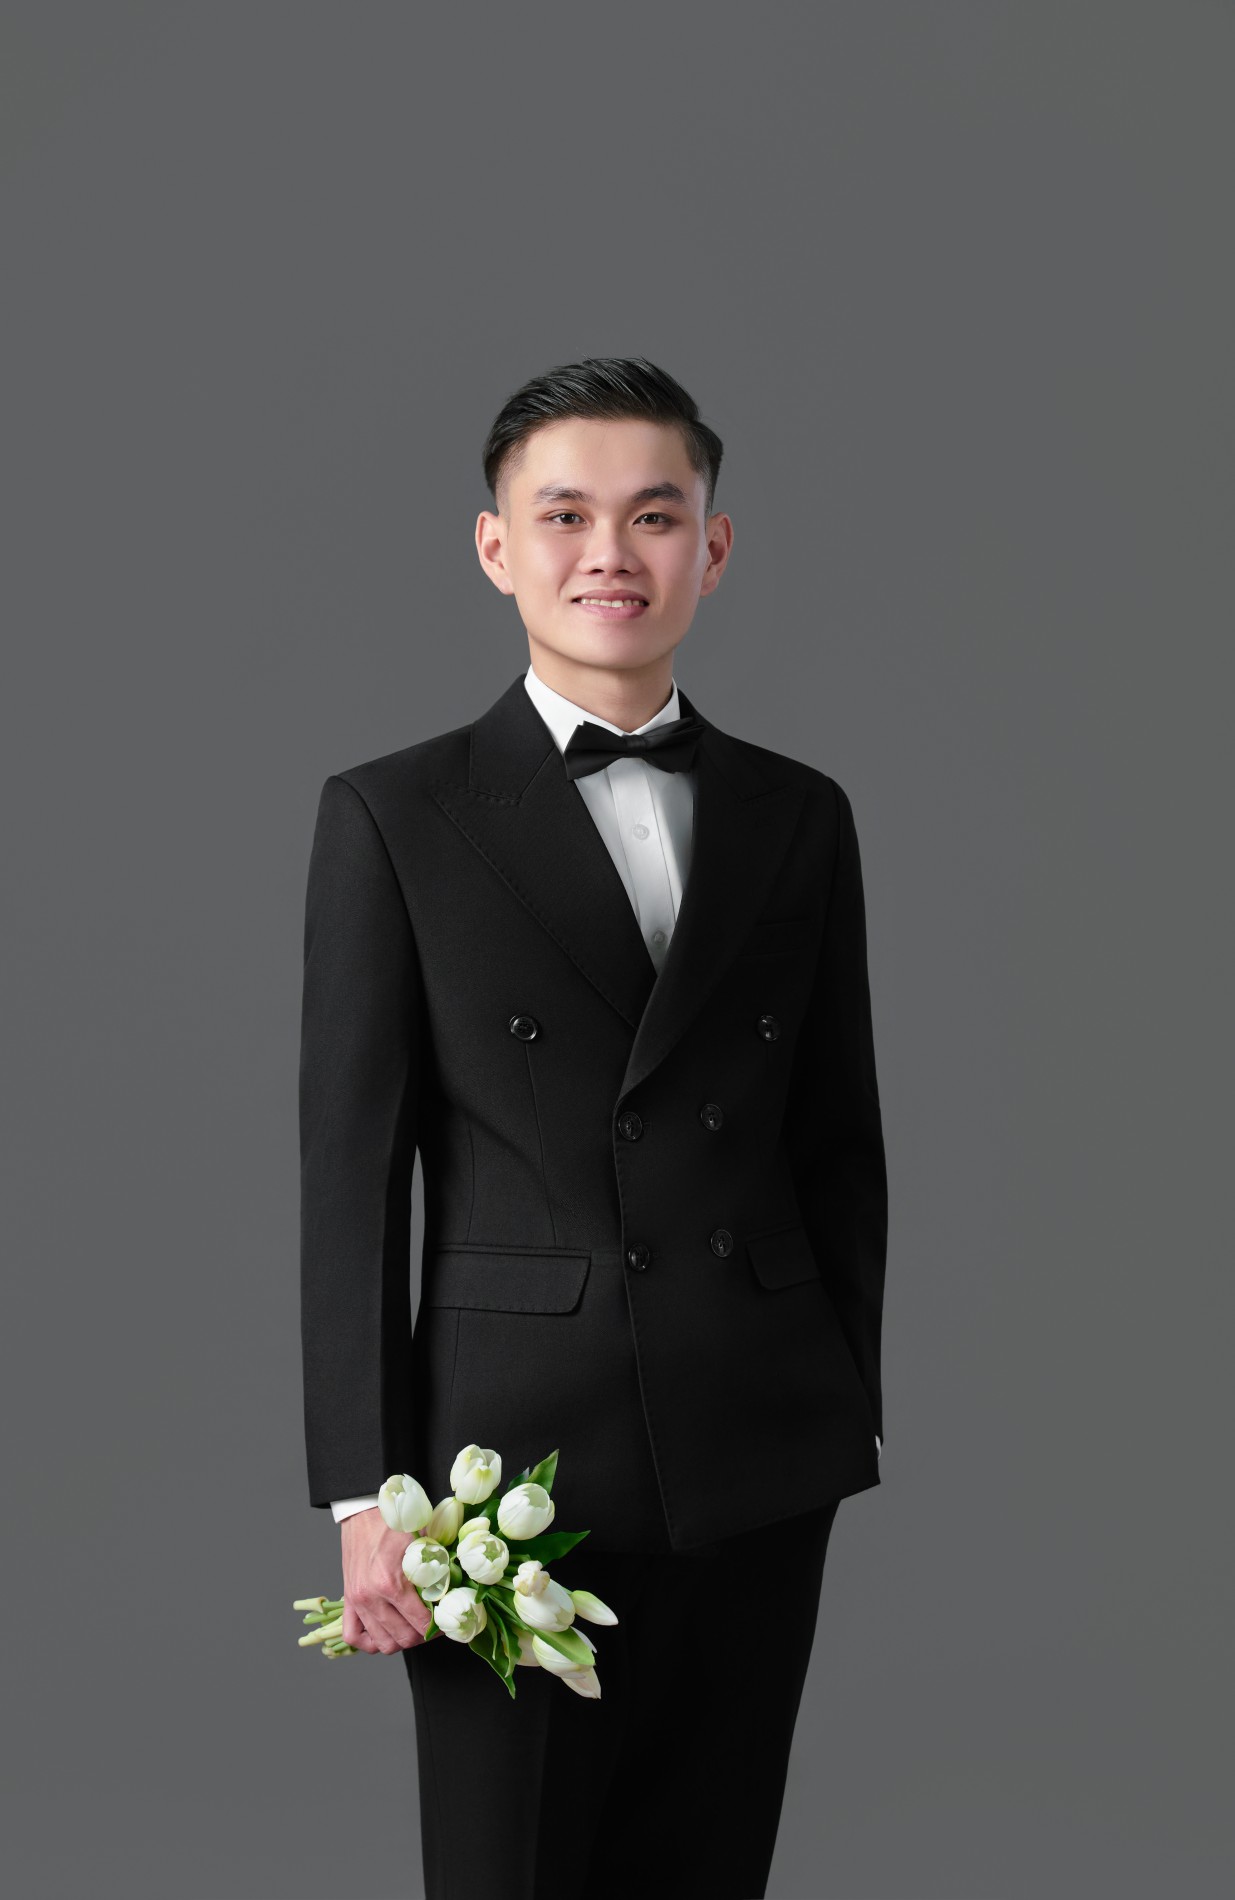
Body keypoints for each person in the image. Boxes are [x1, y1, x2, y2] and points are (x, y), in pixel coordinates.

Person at [299, 356, 888, 1898]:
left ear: (714, 546)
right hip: (502, 1464)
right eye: (564, 515)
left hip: (760, 1440)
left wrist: (847, 1397)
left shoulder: (799, 814)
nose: (609, 552)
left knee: (709, 1867)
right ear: (497, 548)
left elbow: (840, 1141)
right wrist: (365, 1493)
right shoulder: (395, 815)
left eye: (654, 514)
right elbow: (353, 1176)